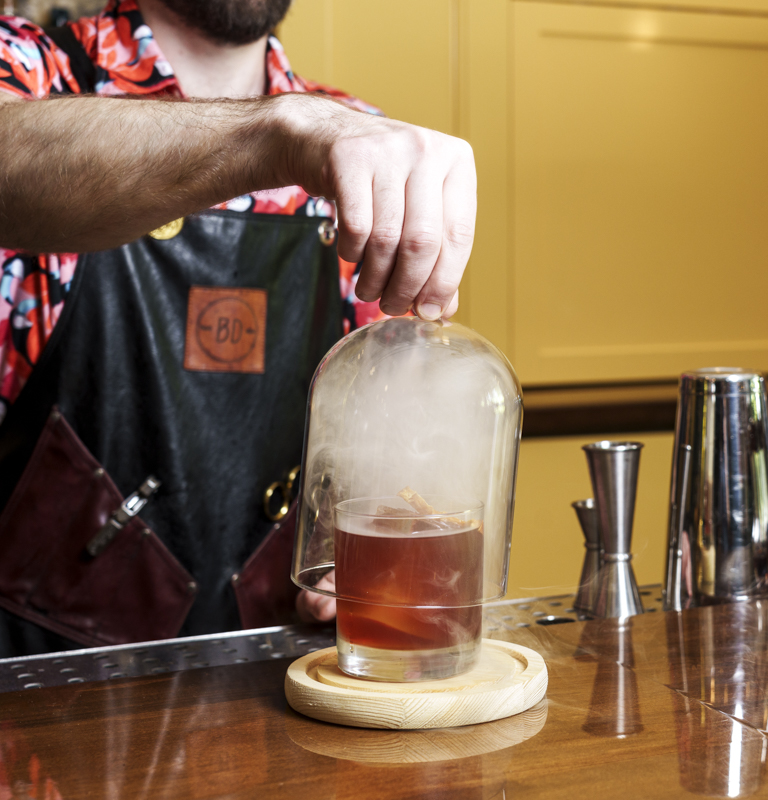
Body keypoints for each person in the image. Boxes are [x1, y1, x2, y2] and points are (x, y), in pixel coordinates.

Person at [0, 0, 475, 657]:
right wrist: (278, 133)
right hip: (48, 712)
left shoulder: (360, 146)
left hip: (283, 699)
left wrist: (369, 547)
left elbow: (392, 445)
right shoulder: (31, 69)